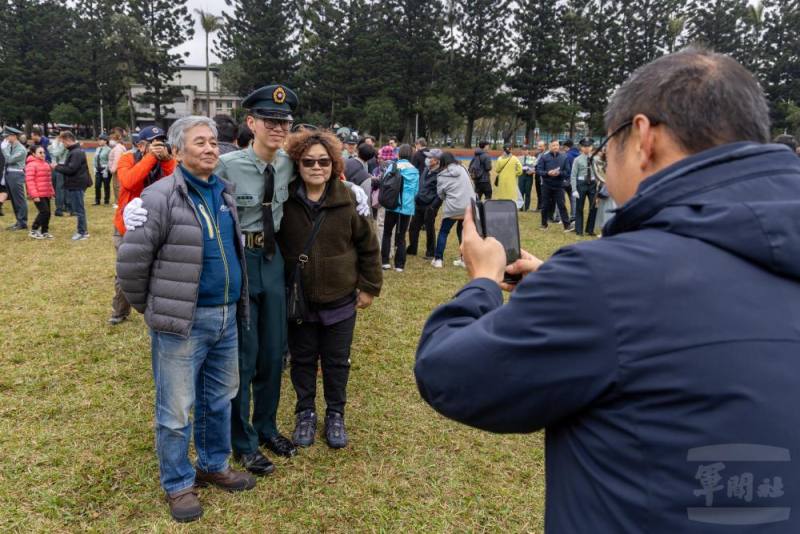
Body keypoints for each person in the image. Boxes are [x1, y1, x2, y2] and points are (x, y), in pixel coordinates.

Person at [414, 47, 800, 533]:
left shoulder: (605, 282)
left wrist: (483, 283)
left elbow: (449, 374)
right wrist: (561, 284)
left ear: (642, 138)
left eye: (604, 148)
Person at [123, 85, 371, 476]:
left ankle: (267, 426)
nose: (278, 127)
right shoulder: (226, 164)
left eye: (284, 122)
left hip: (274, 264)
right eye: (270, 121)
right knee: (242, 356)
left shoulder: (290, 163)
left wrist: (354, 191)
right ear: (251, 123)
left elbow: (322, 176)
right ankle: (243, 441)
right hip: (238, 259)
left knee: (274, 353)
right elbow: (187, 183)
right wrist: (139, 204)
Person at [117, 116, 255, 523]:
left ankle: (213, 464)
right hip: (182, 322)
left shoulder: (224, 193)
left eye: (214, 141)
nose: (211, 148)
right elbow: (131, 264)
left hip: (226, 317)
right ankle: (178, 483)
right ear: (177, 152)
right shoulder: (159, 198)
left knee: (219, 399)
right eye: (200, 142)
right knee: (176, 408)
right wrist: (155, 309)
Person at [278, 129, 382, 449]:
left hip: (340, 299)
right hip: (300, 300)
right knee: (303, 360)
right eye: (308, 161)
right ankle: (305, 413)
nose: (316, 167)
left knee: (337, 361)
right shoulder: (284, 200)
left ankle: (335, 414)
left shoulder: (348, 198)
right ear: (297, 164)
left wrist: (369, 287)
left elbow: (368, 246)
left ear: (333, 163)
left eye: (323, 161)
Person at [110, 126, 177, 324]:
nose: (159, 147)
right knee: (128, 270)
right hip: (128, 225)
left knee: (162, 269)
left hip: (159, 223)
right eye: (154, 143)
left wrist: (166, 161)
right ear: (141, 145)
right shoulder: (128, 159)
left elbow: (176, 184)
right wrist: (150, 158)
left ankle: (160, 310)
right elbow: (129, 182)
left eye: (161, 143)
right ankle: (120, 311)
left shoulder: (166, 161)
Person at [430, 151, 472, 269]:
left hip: (453, 207)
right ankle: (464, 259)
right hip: (468, 206)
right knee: (463, 232)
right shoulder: (463, 168)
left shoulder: (441, 175)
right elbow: (470, 184)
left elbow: (441, 194)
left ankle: (438, 259)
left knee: (443, 232)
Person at [380, 143, 419, 272]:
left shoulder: (393, 166)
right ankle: (399, 265)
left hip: (392, 205)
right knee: (401, 236)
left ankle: (385, 261)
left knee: (387, 233)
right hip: (407, 207)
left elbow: (384, 183)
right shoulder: (414, 170)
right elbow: (416, 191)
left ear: (399, 154)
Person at [53, 131, 92, 240]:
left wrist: (56, 167)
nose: (63, 145)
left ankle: (82, 232)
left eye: (63, 142)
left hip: (77, 184)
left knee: (79, 209)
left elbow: (71, 169)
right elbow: (69, 166)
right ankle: (83, 231)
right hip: (76, 183)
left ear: (68, 140)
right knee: (78, 208)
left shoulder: (76, 152)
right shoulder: (74, 151)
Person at [407, 148, 443, 260]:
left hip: (430, 205)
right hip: (419, 203)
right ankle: (412, 248)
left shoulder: (440, 174)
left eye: (430, 157)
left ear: (436, 160)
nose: (427, 159)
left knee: (429, 228)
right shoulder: (426, 169)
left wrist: (433, 206)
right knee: (413, 227)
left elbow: (441, 192)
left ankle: (430, 252)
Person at [536, 140, 571, 231]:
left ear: (559, 146)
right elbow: (539, 170)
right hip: (546, 185)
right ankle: (544, 224)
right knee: (545, 205)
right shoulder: (544, 157)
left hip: (559, 185)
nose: (555, 147)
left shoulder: (564, 157)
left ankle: (567, 225)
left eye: (557, 145)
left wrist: (559, 173)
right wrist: (548, 173)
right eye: (553, 145)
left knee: (561, 205)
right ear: (549, 146)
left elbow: (567, 172)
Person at [569, 138, 598, 236]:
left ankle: (590, 229)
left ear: (592, 147)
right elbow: (573, 175)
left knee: (594, 207)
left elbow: (598, 173)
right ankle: (579, 230)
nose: (587, 148)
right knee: (579, 207)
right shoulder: (577, 160)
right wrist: (574, 189)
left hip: (593, 184)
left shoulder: (595, 158)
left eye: (589, 146)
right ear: (581, 147)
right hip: (581, 184)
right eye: (585, 146)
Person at [25, 145, 55, 239]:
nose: (43, 154)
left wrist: (51, 191)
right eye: (40, 152)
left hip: (46, 193)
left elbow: (48, 180)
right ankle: (34, 230)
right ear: (33, 154)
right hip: (38, 193)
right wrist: (34, 195)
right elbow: (30, 181)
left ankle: (44, 231)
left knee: (48, 213)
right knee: (44, 211)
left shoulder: (45, 163)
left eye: (44, 152)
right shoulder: (31, 165)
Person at [2, 127, 28, 230]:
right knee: (13, 200)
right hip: (9, 174)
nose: (6, 138)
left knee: (19, 200)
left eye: (8, 136)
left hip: (16, 175)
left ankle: (23, 222)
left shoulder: (21, 149)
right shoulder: (11, 146)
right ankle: (19, 221)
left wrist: (4, 149)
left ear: (14, 136)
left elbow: (9, 159)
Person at [49, 133, 70, 216]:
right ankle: (63, 206)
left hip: (63, 166)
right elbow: (52, 153)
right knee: (59, 188)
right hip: (56, 167)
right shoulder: (53, 145)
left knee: (62, 188)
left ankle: (62, 208)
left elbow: (56, 153)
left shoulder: (63, 145)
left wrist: (56, 146)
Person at [107, 130, 127, 207]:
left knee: (117, 186)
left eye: (112, 139)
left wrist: (112, 169)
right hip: (118, 169)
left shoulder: (118, 148)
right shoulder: (118, 147)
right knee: (117, 186)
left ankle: (118, 202)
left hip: (117, 170)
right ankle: (118, 201)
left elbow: (117, 160)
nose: (110, 141)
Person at [94, 134, 111, 205]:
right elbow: (95, 159)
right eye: (99, 140)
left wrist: (106, 169)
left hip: (105, 169)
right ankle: (97, 200)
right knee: (97, 185)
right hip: (98, 169)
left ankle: (106, 200)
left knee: (106, 185)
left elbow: (110, 160)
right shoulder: (97, 149)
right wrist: (94, 167)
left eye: (101, 140)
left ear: (105, 141)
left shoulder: (109, 150)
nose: (99, 141)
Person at [518, 146, 536, 212]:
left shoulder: (532, 158)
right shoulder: (519, 158)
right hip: (521, 176)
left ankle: (527, 207)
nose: (524, 151)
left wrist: (532, 170)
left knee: (528, 192)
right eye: (523, 150)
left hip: (529, 176)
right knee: (521, 192)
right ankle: (521, 207)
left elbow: (534, 167)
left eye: (526, 150)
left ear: (528, 150)